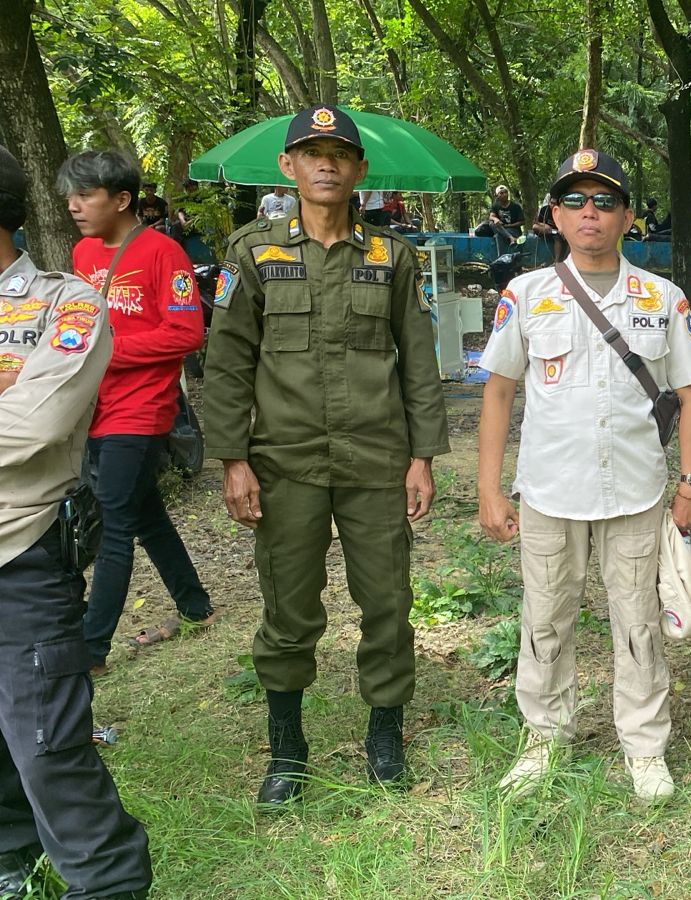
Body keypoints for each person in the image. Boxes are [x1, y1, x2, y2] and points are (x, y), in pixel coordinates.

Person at [203, 106, 449, 807]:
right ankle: (287, 748)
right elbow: (226, 364)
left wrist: (423, 456)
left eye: (339, 153)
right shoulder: (252, 252)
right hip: (284, 460)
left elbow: (419, 365)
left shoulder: (390, 257)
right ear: (288, 167)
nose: (326, 164)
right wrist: (232, 459)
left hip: (377, 457)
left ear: (360, 170)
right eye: (311, 153)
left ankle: (385, 734)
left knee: (387, 602)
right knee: (288, 607)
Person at [478, 149, 691, 803]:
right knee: (545, 619)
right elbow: (498, 394)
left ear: (628, 217)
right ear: (553, 215)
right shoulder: (526, 295)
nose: (590, 213)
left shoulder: (662, 299)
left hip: (634, 491)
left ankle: (644, 745)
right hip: (551, 490)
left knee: (637, 621)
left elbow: (689, 396)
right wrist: (489, 488)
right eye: (575, 201)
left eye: (605, 201)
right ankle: (545, 737)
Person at [0, 144, 153, 900]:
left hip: (19, 552)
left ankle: (107, 882)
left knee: (46, 744)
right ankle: (10, 855)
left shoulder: (62, 303)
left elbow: (31, 428)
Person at [60, 151, 214, 674]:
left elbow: (186, 332)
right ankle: (196, 605)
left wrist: (107, 352)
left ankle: (92, 648)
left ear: (122, 200)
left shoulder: (162, 252)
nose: (74, 205)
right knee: (145, 513)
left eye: (86, 195)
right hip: (95, 408)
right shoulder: (83, 253)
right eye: (71, 196)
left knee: (116, 523)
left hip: (142, 410)